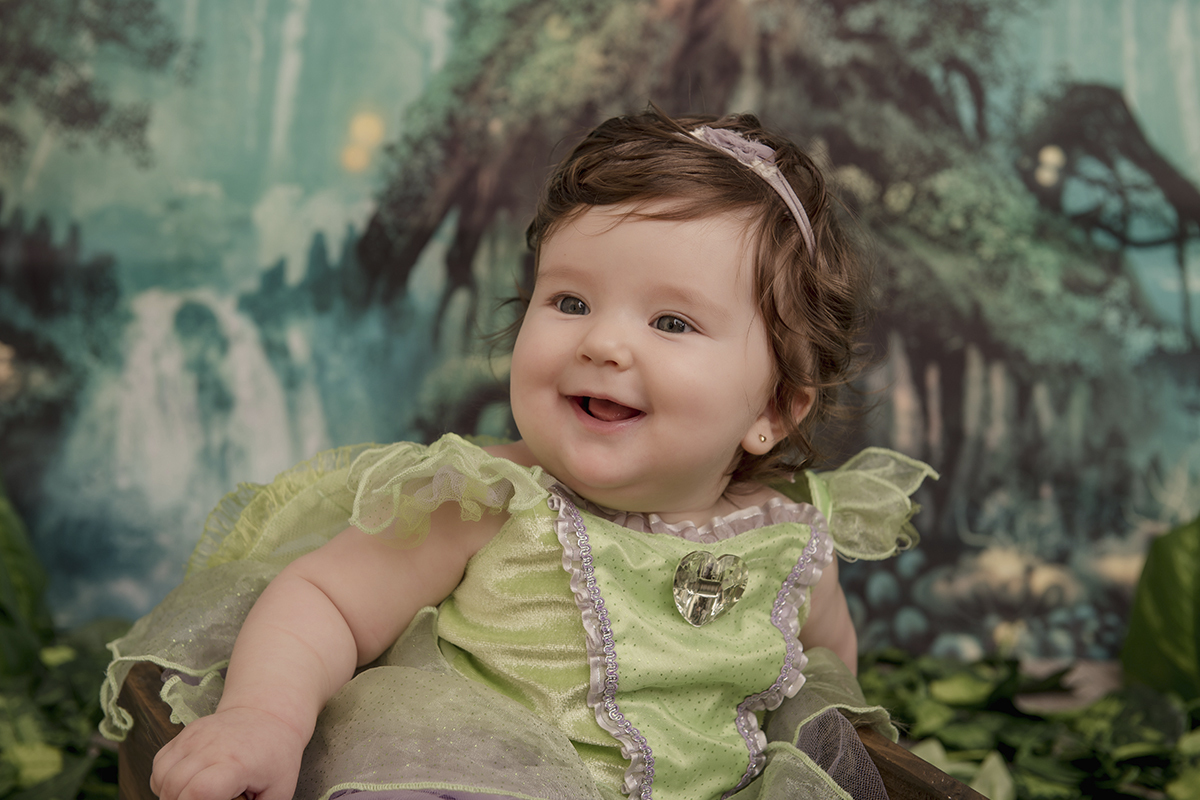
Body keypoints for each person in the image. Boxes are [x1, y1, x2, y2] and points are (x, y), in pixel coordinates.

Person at [101, 109, 936, 800]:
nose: (603, 342)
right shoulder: (488, 498)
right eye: (570, 301)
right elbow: (325, 600)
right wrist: (265, 719)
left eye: (671, 322)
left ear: (773, 409)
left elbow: (826, 681)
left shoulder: (792, 543)